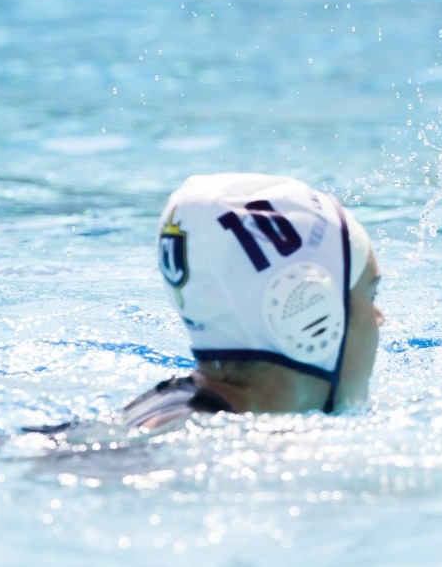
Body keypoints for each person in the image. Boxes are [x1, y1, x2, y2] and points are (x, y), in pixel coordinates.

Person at [115, 172, 383, 431]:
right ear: (309, 311)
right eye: (371, 295)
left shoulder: (171, 420)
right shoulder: (206, 447)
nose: (379, 317)